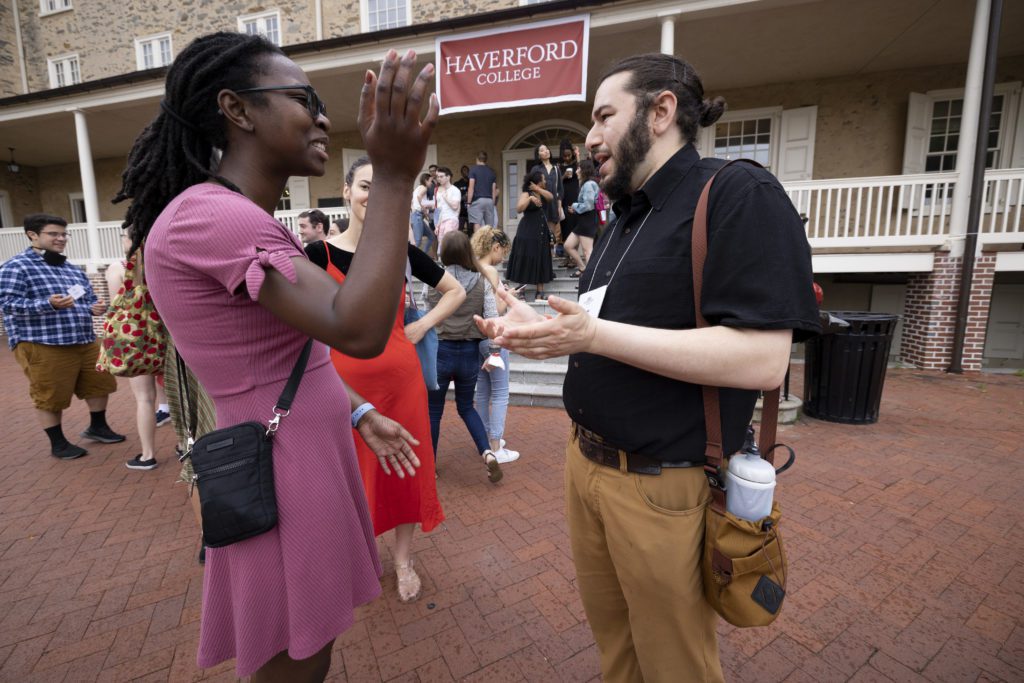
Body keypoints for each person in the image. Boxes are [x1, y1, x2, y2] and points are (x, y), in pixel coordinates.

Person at [475, 53, 821, 682]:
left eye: (605, 115)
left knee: (675, 666)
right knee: (618, 650)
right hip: (585, 468)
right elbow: (601, 327)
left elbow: (765, 360)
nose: (590, 138)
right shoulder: (623, 219)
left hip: (667, 487)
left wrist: (595, 334)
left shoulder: (738, 193)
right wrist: (536, 327)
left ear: (661, 112)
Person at [115, 34, 437, 681]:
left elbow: (276, 352)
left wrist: (357, 410)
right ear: (237, 109)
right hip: (283, 466)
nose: (322, 116)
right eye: (303, 98)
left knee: (304, 649)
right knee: (295, 660)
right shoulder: (211, 216)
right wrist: (399, 173)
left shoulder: (233, 215)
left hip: (298, 447)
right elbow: (360, 327)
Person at [306, 156, 464, 603]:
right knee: (347, 475)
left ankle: (403, 560)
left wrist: (421, 325)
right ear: (347, 190)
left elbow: (455, 290)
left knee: (403, 470)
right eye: (364, 186)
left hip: (400, 380)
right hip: (340, 386)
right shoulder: (317, 254)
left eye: (382, 188)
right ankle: (358, 554)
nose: (371, 197)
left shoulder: (399, 249)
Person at [0, 213, 125, 460]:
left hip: (83, 339)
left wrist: (95, 306)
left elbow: (87, 299)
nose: (61, 238)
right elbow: (7, 303)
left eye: (63, 234)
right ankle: (58, 444)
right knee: (50, 395)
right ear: (32, 235)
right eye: (53, 234)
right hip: (43, 344)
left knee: (100, 384)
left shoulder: (70, 268)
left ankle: (97, 427)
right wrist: (48, 304)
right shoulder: (16, 266)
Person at [427, 231, 502, 484]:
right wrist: (494, 352)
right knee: (466, 407)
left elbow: (428, 318)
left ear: (444, 253)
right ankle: (488, 453)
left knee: (433, 412)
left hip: (440, 352)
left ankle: (430, 467)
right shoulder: (481, 282)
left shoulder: (435, 281)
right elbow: (492, 321)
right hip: (469, 354)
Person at [104, 228, 165, 470]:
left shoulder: (118, 268)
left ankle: (147, 455)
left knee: (144, 399)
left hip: (135, 341)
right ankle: (184, 445)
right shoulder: (159, 265)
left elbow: (115, 307)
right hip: (165, 336)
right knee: (176, 394)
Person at [470, 226, 518, 464]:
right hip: (493, 338)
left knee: (483, 391)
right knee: (500, 392)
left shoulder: (472, 268)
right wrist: (510, 297)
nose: (504, 256)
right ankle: (496, 445)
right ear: (496, 247)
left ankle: (485, 441)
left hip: (475, 338)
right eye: (503, 251)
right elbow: (496, 311)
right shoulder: (492, 272)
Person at [504, 169, 554, 302]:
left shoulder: (543, 193)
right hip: (527, 231)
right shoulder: (526, 193)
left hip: (541, 232)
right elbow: (519, 208)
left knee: (541, 259)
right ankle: (521, 292)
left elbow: (551, 197)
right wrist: (531, 197)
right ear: (537, 181)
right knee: (526, 258)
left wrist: (538, 189)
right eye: (543, 179)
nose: (545, 181)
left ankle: (539, 292)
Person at [564, 159, 599, 278]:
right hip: (583, 221)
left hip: (587, 220)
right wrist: (576, 209)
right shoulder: (586, 184)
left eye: (579, 168)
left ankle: (590, 278)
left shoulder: (589, 184)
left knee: (587, 251)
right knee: (568, 245)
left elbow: (589, 205)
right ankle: (583, 268)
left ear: (584, 170)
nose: (577, 170)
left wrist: (575, 206)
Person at [530, 144, 562, 249]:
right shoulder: (536, 169)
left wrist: (559, 207)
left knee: (550, 237)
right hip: (540, 204)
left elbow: (560, 190)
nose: (546, 151)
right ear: (538, 155)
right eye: (543, 150)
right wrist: (534, 199)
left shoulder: (556, 169)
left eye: (547, 149)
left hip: (553, 206)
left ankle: (549, 259)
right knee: (539, 235)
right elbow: (530, 186)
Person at [558, 139, 580, 264]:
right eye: (564, 156)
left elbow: (581, 170)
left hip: (574, 199)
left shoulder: (576, 165)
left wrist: (577, 155)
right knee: (564, 228)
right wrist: (563, 177)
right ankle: (567, 257)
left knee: (574, 228)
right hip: (564, 200)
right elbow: (556, 183)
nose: (566, 158)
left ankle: (573, 258)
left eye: (568, 155)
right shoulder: (559, 167)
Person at [467, 150, 498, 231]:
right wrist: (493, 204)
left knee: (477, 223)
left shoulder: (473, 170)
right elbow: (493, 190)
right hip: (489, 201)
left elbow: (471, 187)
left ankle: (478, 243)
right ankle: (488, 243)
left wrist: (469, 202)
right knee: (489, 226)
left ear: (477, 158)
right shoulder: (492, 172)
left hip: (478, 200)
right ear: (486, 159)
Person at [433, 166, 461, 243]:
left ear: (448, 177)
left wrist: (446, 198)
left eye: (441, 176)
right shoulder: (439, 191)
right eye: (438, 177)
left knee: (448, 244)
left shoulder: (455, 190)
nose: (439, 178)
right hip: (442, 221)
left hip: (451, 219)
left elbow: (455, 206)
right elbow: (441, 210)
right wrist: (437, 226)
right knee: (442, 248)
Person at [410, 172, 435, 255]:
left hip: (417, 215)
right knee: (417, 240)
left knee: (431, 236)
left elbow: (413, 201)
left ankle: (423, 255)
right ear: (425, 180)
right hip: (417, 215)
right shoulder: (424, 188)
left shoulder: (418, 188)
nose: (431, 183)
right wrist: (424, 210)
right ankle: (412, 259)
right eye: (430, 181)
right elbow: (419, 197)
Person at [455, 164, 470, 234]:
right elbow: (454, 198)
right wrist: (462, 198)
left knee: (471, 231)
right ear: (461, 173)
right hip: (461, 212)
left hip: (471, 211)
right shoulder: (457, 184)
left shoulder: (472, 182)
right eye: (464, 171)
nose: (465, 172)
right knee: (459, 231)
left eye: (467, 171)